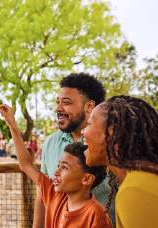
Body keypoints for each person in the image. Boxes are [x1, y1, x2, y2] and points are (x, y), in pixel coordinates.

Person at [0, 104, 112, 228]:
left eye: (64, 168)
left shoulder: (96, 216)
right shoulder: (55, 195)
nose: (56, 172)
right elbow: (26, 165)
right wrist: (12, 125)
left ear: (86, 179)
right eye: (59, 166)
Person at [37, 73, 115, 227]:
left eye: (66, 102)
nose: (58, 108)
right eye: (57, 102)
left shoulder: (110, 143)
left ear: (89, 107)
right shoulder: (50, 143)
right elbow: (43, 194)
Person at [82, 95, 158, 228]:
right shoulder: (139, 180)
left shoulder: (135, 191)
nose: (83, 132)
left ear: (112, 132)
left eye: (89, 123)